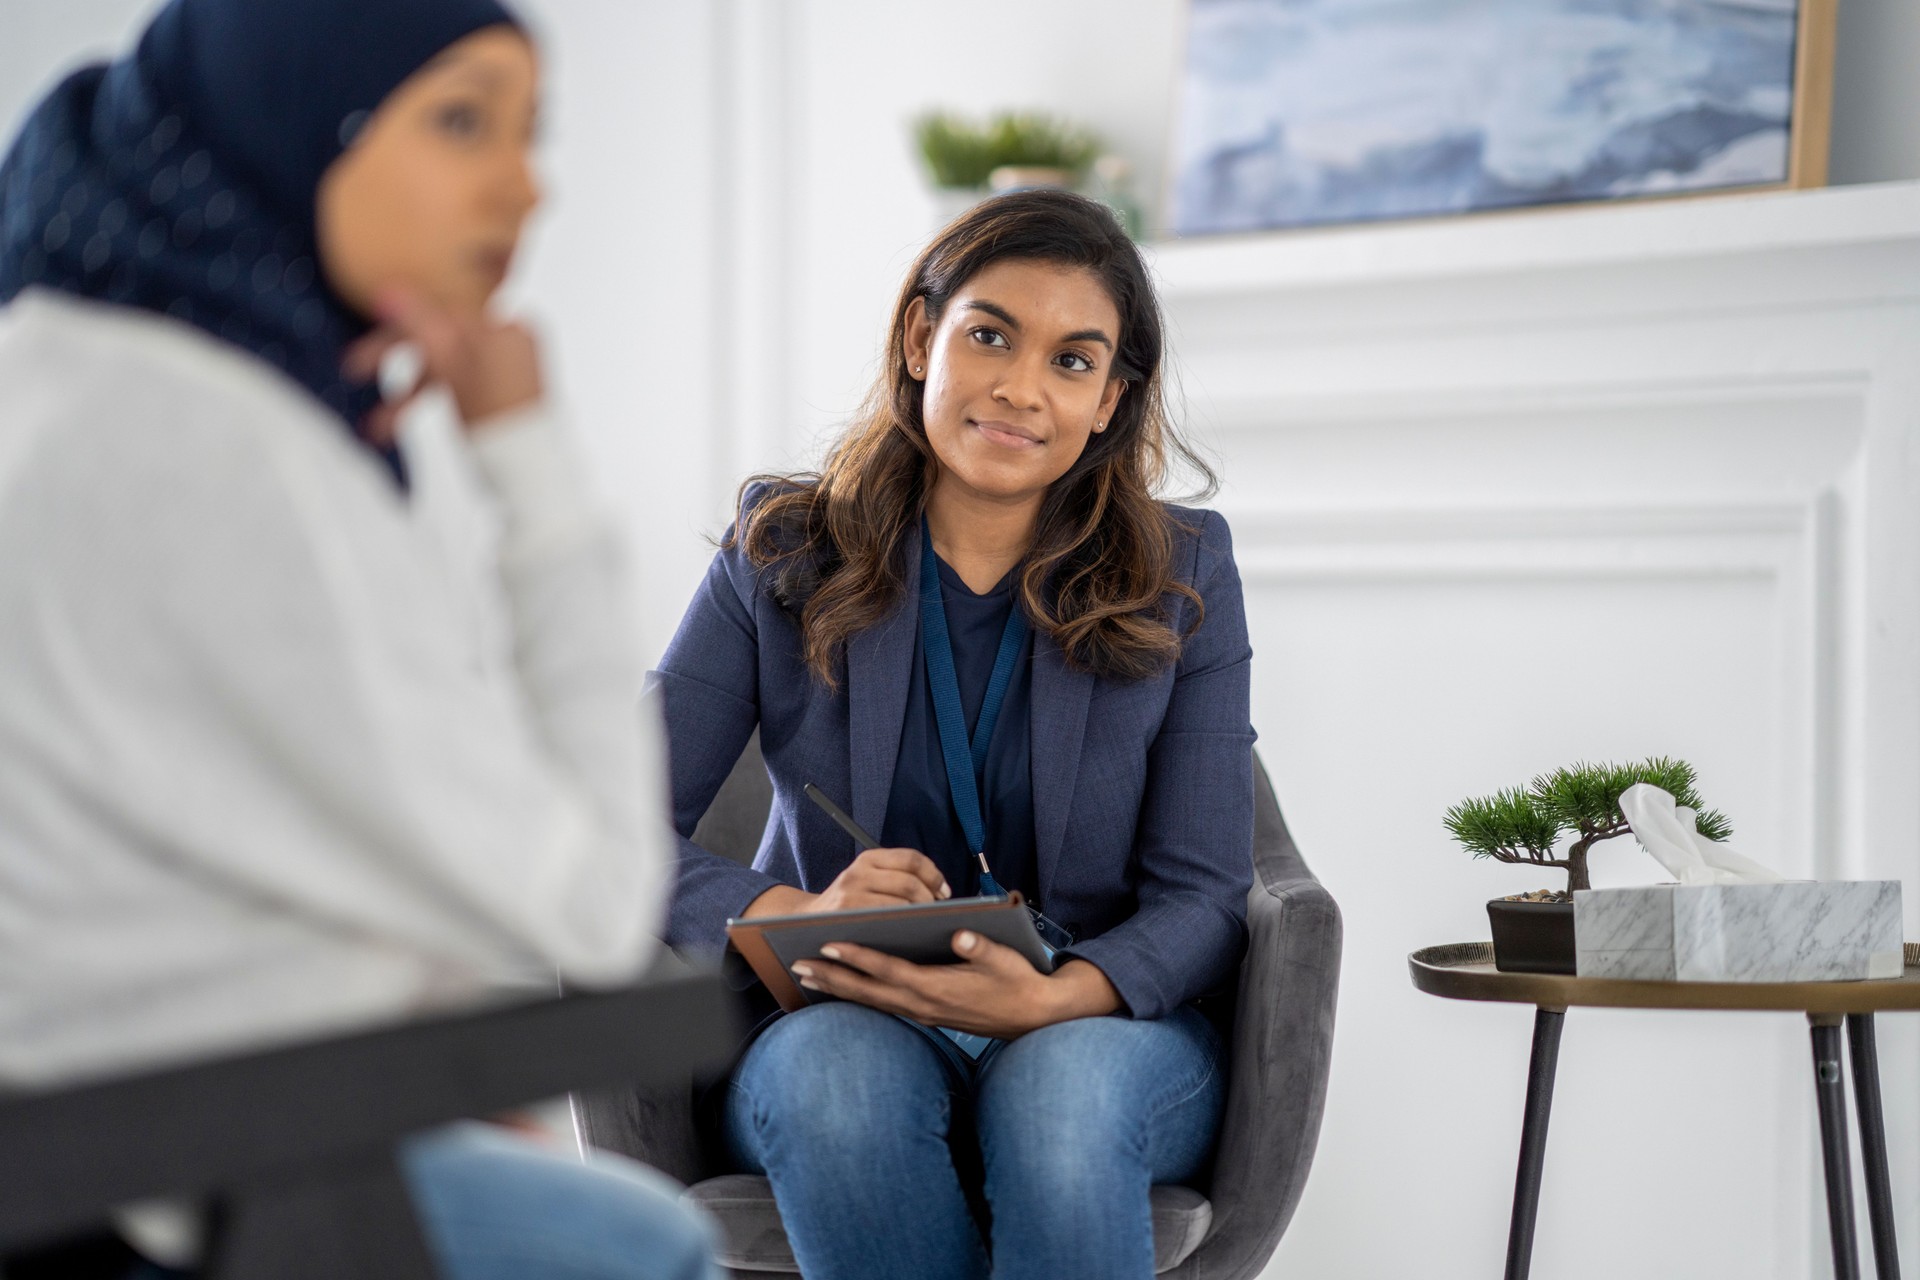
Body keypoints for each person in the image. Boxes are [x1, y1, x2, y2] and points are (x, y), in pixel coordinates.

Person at [0, 1, 716, 1278]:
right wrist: (526, 455)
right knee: (647, 1243)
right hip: (163, 1179)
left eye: (529, 132)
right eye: (460, 120)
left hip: (106, 1119)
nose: (525, 184)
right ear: (293, 119)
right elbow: (599, 903)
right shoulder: (224, 449)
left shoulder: (62, 367)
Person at [655, 189, 1255, 1280]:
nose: (1023, 388)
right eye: (990, 334)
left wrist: (1054, 996)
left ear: (1112, 400)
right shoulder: (779, 550)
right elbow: (609, 832)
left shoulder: (1186, 573)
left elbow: (1206, 892)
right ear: (921, 335)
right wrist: (798, 910)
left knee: (1062, 1103)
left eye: (1074, 362)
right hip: (845, 1008)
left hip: (1098, 1014)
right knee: (838, 1089)